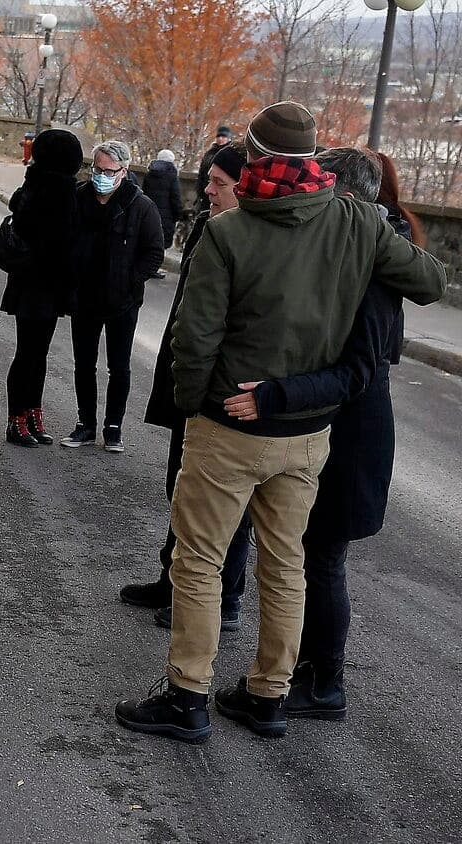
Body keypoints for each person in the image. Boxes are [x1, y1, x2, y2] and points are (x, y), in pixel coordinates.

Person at [115, 101, 446, 744]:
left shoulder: (230, 231)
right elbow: (430, 282)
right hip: (308, 430)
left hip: (231, 425)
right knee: (286, 564)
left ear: (256, 158)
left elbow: (193, 338)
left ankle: (188, 696)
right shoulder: (356, 220)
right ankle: (269, 695)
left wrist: (195, 403)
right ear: (311, 157)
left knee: (200, 562)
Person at [221, 148, 420, 722]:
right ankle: (302, 674)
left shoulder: (373, 258)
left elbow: (361, 367)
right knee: (308, 556)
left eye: (321, 184)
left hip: (351, 435)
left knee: (321, 559)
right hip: (335, 424)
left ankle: (322, 681)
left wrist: (277, 395)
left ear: (345, 196)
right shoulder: (360, 246)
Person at [121, 141, 251, 632]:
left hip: (223, 391)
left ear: (247, 187)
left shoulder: (252, 238)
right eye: (209, 180)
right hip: (190, 380)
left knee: (224, 506)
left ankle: (224, 599)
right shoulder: (207, 225)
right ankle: (173, 579)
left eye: (220, 183)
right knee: (182, 488)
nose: (209, 191)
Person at [60, 140, 164, 454]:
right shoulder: (78, 198)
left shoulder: (141, 206)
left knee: (119, 367)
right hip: (84, 298)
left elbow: (154, 252)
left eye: (109, 171)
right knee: (84, 364)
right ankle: (86, 424)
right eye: (97, 169)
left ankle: (114, 427)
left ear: (123, 171)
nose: (102, 176)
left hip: (122, 301)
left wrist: (130, 281)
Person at [0, 129, 84, 447]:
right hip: (38, 283)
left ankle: (31, 413)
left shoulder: (40, 185)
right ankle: (17, 418)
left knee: (37, 353)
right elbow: (57, 239)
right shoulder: (52, 190)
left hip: (42, 283)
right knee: (29, 353)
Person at [142, 149, 184, 267]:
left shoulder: (149, 174)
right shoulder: (172, 175)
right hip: (166, 215)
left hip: (149, 212)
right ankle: (155, 267)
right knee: (161, 243)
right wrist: (178, 214)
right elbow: (175, 197)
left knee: (148, 239)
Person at [194, 125, 233, 212]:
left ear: (229, 138)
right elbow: (201, 173)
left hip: (220, 193)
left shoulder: (231, 154)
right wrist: (199, 191)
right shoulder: (210, 153)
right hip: (206, 193)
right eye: (219, 136)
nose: (220, 139)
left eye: (223, 136)